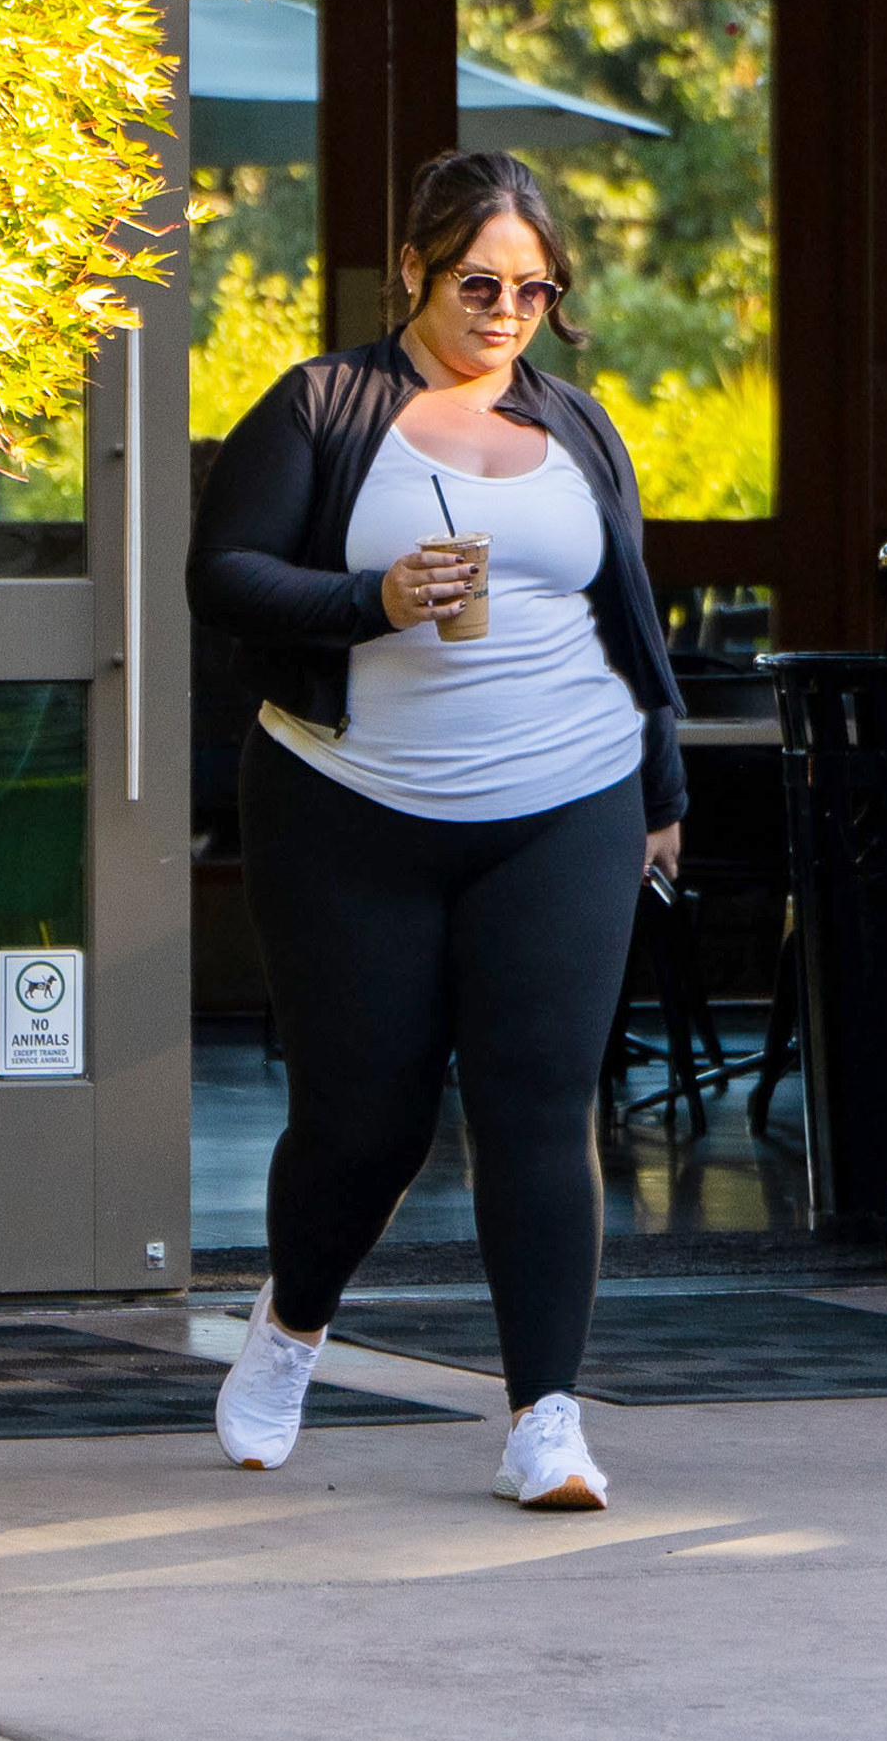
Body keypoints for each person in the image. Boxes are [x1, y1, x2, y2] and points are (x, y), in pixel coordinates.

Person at [184, 148, 688, 1511]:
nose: (507, 311)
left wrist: (659, 792)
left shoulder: (578, 427)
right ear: (414, 268)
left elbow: (626, 615)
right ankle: (290, 1329)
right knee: (368, 1118)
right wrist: (376, 597)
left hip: (564, 800)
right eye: (480, 282)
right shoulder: (323, 407)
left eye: (535, 289)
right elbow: (220, 576)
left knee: (537, 1107)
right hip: (352, 806)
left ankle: (546, 1419)